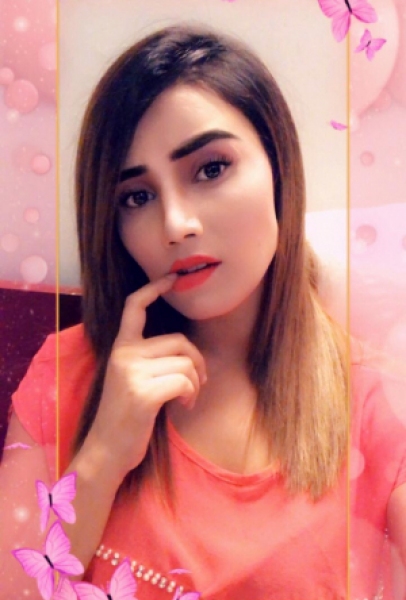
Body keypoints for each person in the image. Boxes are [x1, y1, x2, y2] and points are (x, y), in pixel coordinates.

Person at [3, 24, 406, 600]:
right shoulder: (63, 376)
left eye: (211, 169)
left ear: (278, 167)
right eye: (137, 196)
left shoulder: (380, 409)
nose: (176, 224)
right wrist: (102, 458)